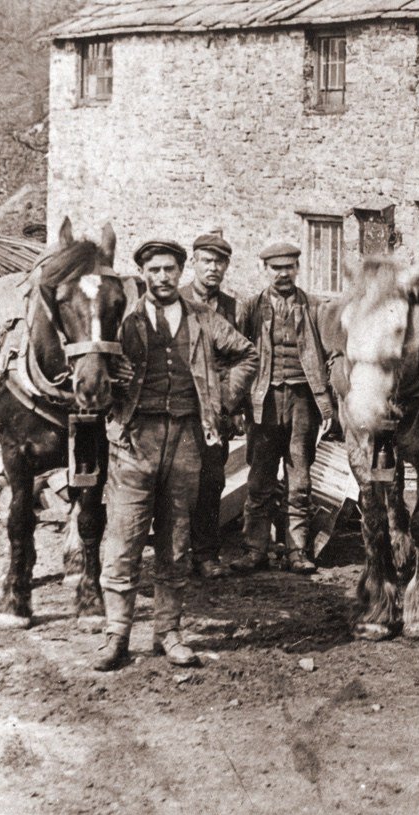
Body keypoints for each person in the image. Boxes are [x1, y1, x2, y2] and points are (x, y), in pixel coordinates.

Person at [94, 239, 257, 671]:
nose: (163, 277)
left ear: (181, 272)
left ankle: (168, 632)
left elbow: (246, 354)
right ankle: (117, 634)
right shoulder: (122, 319)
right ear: (143, 273)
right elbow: (90, 357)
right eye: (155, 270)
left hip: (187, 439)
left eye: (170, 269)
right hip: (134, 441)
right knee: (124, 538)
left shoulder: (203, 318)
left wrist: (221, 398)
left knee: (176, 541)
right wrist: (112, 374)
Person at [233, 242, 335, 575]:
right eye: (277, 268)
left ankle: (297, 551)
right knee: (260, 477)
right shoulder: (250, 308)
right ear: (265, 270)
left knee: (300, 478)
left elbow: (332, 356)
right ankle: (254, 549)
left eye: (289, 267)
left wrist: (330, 402)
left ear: (297, 269)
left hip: (303, 401)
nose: (283, 274)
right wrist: (236, 402)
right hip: (263, 402)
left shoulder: (315, 308)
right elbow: (238, 356)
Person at [181, 230, 240, 579]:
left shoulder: (234, 308)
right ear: (193, 263)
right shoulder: (174, 300)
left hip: (215, 413)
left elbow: (243, 357)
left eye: (220, 262)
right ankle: (174, 551)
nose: (213, 268)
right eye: (206, 260)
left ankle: (205, 553)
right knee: (175, 483)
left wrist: (232, 405)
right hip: (179, 407)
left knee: (211, 479)